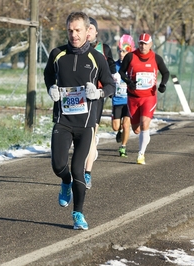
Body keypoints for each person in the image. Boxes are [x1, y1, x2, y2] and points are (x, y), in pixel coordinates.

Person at [43, 11, 115, 230]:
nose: (74, 35)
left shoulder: (97, 57)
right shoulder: (57, 54)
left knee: (78, 170)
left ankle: (78, 214)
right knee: (58, 166)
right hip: (63, 120)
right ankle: (65, 182)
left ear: (87, 31)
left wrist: (99, 94)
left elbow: (110, 84)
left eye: (78, 30)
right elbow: (48, 75)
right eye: (70, 30)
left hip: (85, 124)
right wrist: (51, 88)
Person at [118, 33, 170, 165]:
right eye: (141, 43)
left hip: (149, 97)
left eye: (146, 43)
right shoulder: (130, 56)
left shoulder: (156, 58)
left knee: (144, 124)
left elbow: (166, 72)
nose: (143, 46)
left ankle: (141, 154)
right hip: (133, 97)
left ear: (151, 44)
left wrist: (163, 84)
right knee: (136, 129)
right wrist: (129, 82)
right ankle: (144, 137)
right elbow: (121, 72)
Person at [83, 17, 116, 188]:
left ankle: (87, 173)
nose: (87, 32)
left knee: (90, 134)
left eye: (90, 29)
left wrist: (112, 77)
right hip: (78, 96)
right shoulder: (73, 50)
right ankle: (88, 154)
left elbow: (111, 68)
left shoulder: (104, 49)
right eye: (84, 28)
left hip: (96, 96)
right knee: (81, 137)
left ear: (95, 32)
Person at [111, 34, 135, 157]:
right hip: (116, 100)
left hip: (129, 100)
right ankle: (119, 131)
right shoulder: (114, 66)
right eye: (120, 51)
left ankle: (123, 147)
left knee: (126, 124)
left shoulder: (133, 66)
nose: (121, 54)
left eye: (125, 51)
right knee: (116, 127)